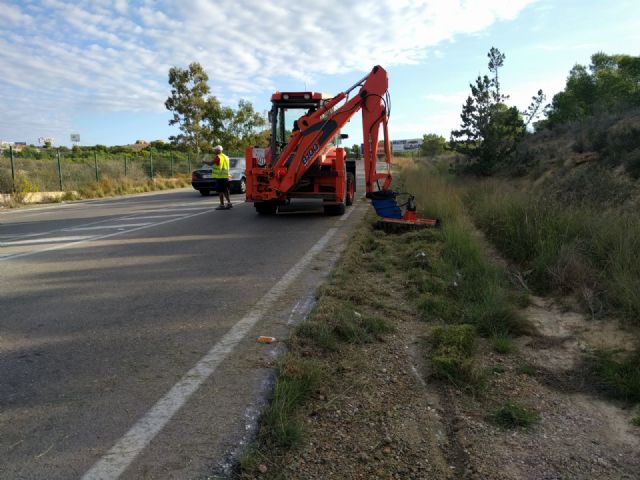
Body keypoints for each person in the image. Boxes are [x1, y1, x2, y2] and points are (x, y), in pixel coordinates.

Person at [206, 145, 232, 210]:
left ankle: (222, 205)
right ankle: (229, 203)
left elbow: (210, 163)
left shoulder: (218, 157)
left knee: (220, 191)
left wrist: (204, 161)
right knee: (225, 190)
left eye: (215, 150)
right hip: (226, 175)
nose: (214, 151)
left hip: (220, 176)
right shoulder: (226, 156)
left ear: (218, 150)